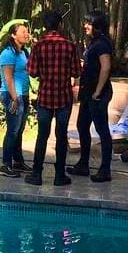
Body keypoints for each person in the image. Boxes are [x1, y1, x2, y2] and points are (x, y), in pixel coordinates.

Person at [25, 10, 81, 186]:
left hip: (45, 97)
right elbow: (76, 72)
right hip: (64, 97)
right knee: (61, 136)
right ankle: (59, 175)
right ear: (60, 25)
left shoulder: (38, 46)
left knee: (42, 135)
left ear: (45, 26)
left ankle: (36, 174)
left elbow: (32, 72)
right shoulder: (70, 46)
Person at [67, 10, 114, 183]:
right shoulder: (93, 43)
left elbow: (106, 67)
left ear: (97, 26)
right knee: (82, 125)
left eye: (89, 23)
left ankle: (105, 169)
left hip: (97, 94)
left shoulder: (102, 44)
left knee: (102, 130)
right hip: (89, 93)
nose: (85, 26)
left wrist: (98, 91)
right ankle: (83, 164)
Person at [0, 22, 32, 178]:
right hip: (12, 95)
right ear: (13, 35)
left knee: (19, 130)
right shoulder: (8, 53)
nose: (27, 34)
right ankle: (6, 164)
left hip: (22, 95)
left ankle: (18, 161)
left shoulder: (23, 52)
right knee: (12, 131)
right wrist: (15, 98)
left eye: (27, 32)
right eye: (23, 32)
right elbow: (8, 78)